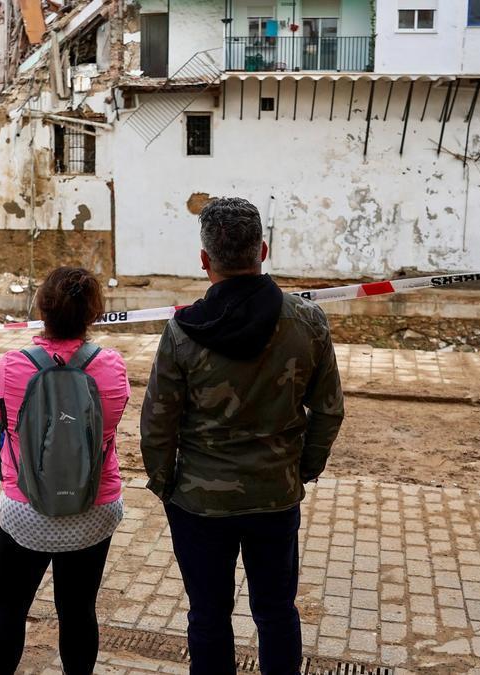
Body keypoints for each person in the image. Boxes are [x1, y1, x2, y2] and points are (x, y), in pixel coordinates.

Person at [140, 197, 345, 675]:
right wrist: (302, 470)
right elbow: (330, 410)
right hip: (275, 496)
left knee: (208, 616)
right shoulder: (307, 321)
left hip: (198, 504)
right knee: (276, 613)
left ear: (205, 260)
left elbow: (157, 424)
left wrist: (164, 483)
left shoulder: (182, 332)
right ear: (263, 250)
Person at [0, 266, 130, 674]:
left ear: (41, 309)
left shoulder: (11, 366)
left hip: (26, 510)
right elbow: (112, 421)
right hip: (93, 510)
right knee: (79, 610)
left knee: (9, 609)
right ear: (94, 313)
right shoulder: (112, 367)